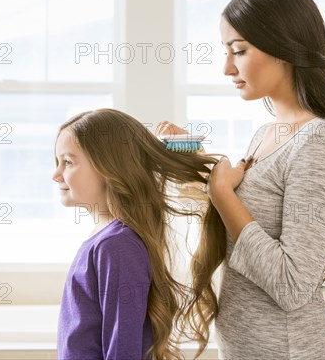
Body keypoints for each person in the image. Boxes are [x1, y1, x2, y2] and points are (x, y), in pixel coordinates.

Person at [161, 0, 325, 360]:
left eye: (240, 51)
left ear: (284, 48)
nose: (227, 67)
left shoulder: (320, 143)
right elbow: (249, 220)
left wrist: (223, 194)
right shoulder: (268, 134)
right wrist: (191, 156)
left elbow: (290, 285)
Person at [52, 108, 217, 360]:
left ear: (109, 166)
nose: (56, 175)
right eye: (57, 162)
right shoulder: (105, 238)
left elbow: (123, 349)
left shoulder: (117, 245)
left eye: (68, 162)